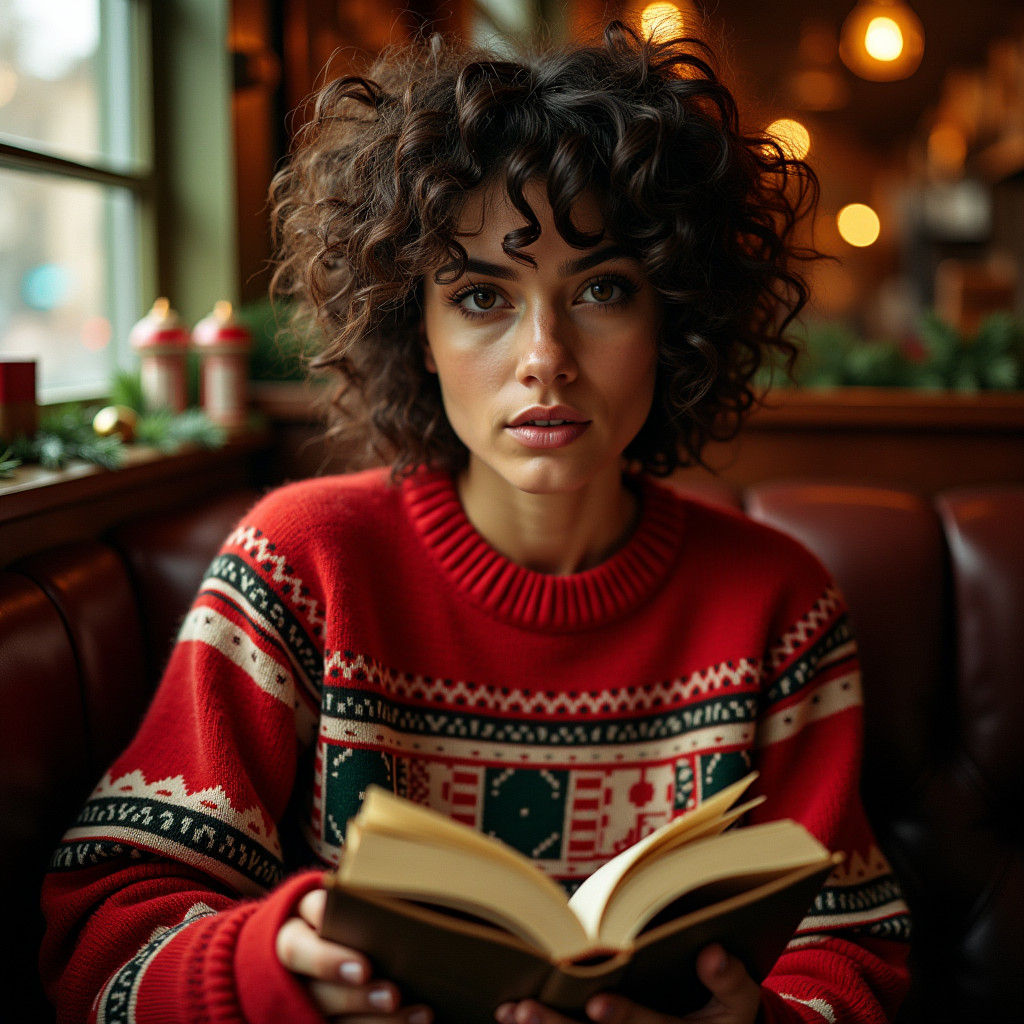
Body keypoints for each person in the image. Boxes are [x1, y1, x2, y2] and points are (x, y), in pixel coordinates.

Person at [41, 21, 911, 1024]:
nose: (544, 357)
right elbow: (102, 945)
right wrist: (271, 969)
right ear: (416, 329)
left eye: (603, 289)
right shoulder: (301, 565)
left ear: (673, 318)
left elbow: (847, 949)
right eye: (482, 295)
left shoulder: (780, 603)